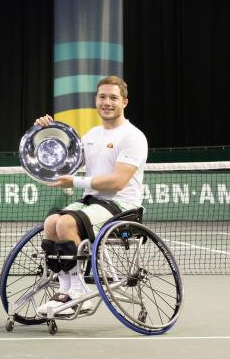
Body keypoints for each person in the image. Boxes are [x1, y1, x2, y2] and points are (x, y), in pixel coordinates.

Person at [34, 75, 148, 316]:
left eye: (113, 98)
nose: (107, 102)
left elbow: (118, 181)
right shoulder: (92, 135)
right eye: (102, 97)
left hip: (122, 205)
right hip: (92, 203)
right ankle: (66, 290)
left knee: (65, 222)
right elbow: (64, 164)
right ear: (96, 100)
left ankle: (80, 295)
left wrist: (75, 181)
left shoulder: (132, 136)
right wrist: (47, 132)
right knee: (51, 223)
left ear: (124, 102)